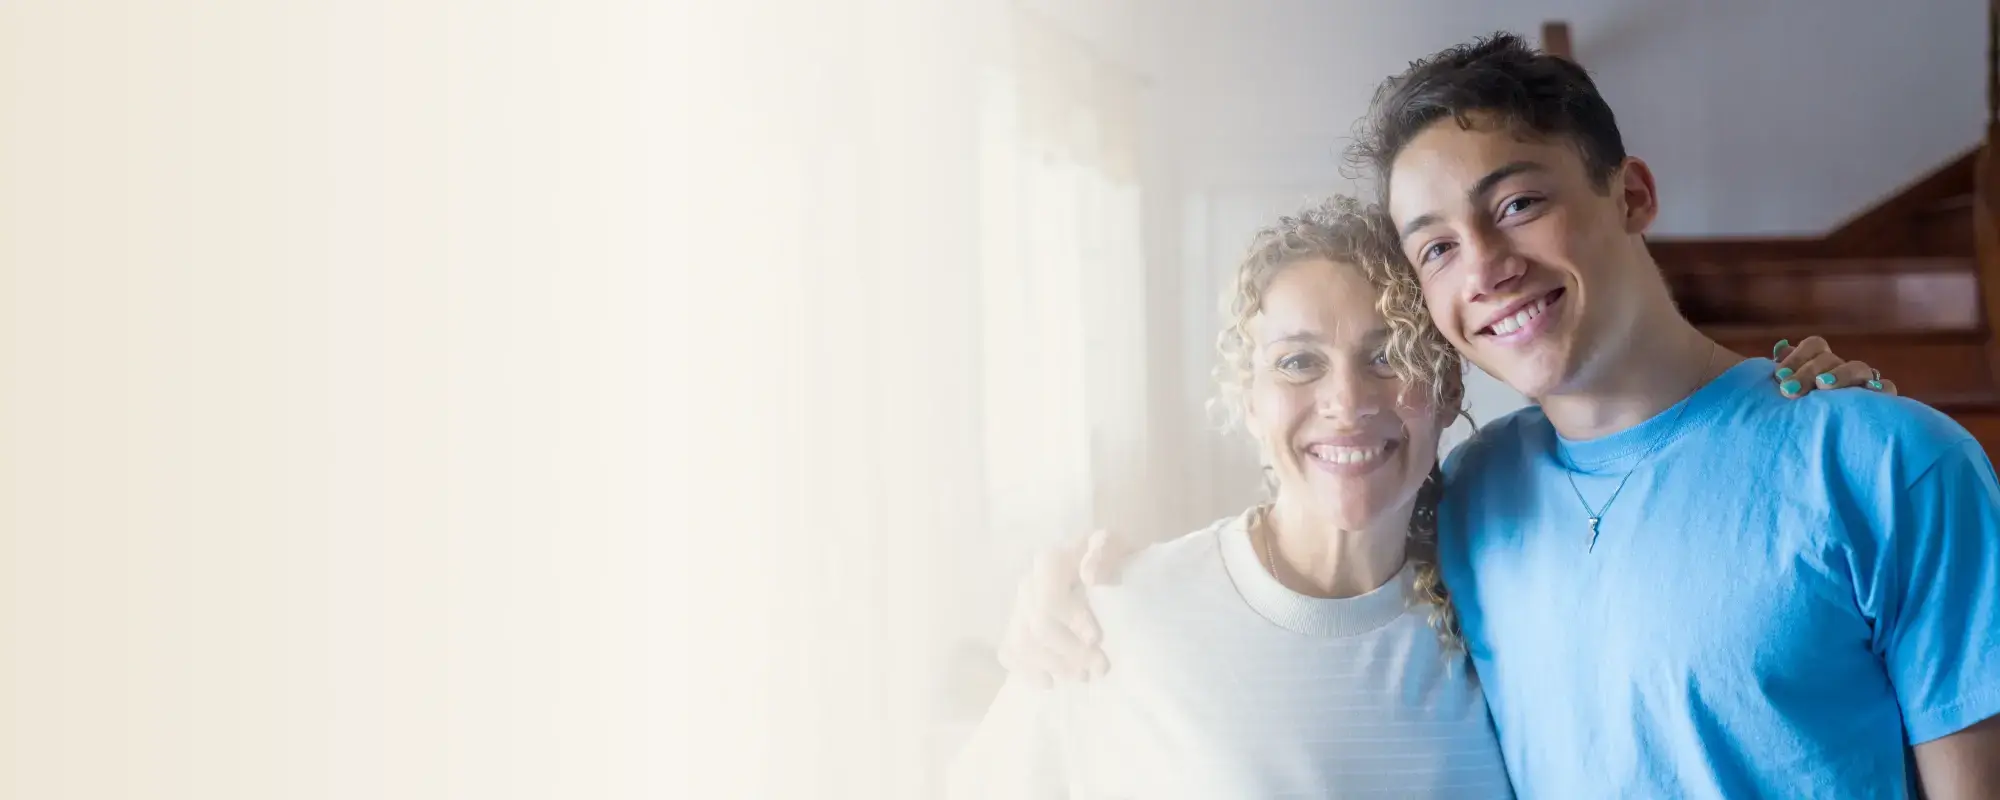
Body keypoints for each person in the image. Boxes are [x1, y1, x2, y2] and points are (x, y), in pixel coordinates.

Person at [997, 32, 2000, 798]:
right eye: (1433, 245)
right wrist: (1070, 591)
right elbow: (1311, 556)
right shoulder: (1471, 498)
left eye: (1516, 203)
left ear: (1632, 194)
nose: (1482, 264)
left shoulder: (1886, 461)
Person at [948, 197, 1512, 798]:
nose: (1347, 402)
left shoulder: (1498, 618)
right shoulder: (1112, 616)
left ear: (1448, 388)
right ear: (1249, 400)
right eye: (1299, 362)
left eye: (1387, 356)